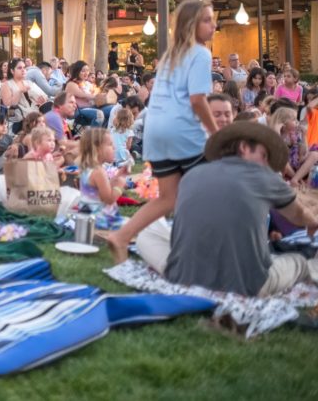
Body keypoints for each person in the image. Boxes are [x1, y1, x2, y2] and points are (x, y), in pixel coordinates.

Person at [136, 122, 318, 296]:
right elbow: (298, 214)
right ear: (245, 148)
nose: (266, 164)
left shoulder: (194, 174)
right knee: (301, 262)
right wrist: (312, 222)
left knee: (147, 233)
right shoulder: (264, 176)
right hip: (247, 283)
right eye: (264, 156)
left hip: (186, 274)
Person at [108, 0, 219, 263]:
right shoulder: (201, 54)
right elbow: (197, 100)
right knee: (211, 190)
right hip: (182, 132)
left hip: (156, 132)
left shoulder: (171, 56)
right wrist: (216, 133)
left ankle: (122, 236)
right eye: (207, 20)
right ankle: (204, 248)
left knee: (170, 198)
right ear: (191, 24)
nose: (213, 25)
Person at [74, 128, 125, 230]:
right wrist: (120, 185)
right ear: (97, 149)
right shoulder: (99, 171)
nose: (114, 147)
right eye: (110, 144)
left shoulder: (89, 168)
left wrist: (116, 178)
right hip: (99, 218)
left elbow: (99, 190)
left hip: (86, 214)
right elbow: (109, 199)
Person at [1, 58, 48, 133]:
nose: (23, 70)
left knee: (49, 106)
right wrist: (19, 91)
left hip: (36, 115)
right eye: (19, 68)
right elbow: (9, 105)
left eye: (24, 67)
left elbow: (44, 97)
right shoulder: (6, 85)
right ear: (12, 71)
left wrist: (41, 100)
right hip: (20, 120)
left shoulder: (29, 82)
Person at [64, 61, 104, 128]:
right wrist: (97, 96)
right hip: (78, 111)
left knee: (112, 110)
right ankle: (91, 137)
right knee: (99, 115)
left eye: (87, 70)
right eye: (83, 71)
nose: (86, 73)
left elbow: (95, 92)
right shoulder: (71, 84)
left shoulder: (87, 83)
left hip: (91, 107)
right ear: (77, 72)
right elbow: (83, 95)